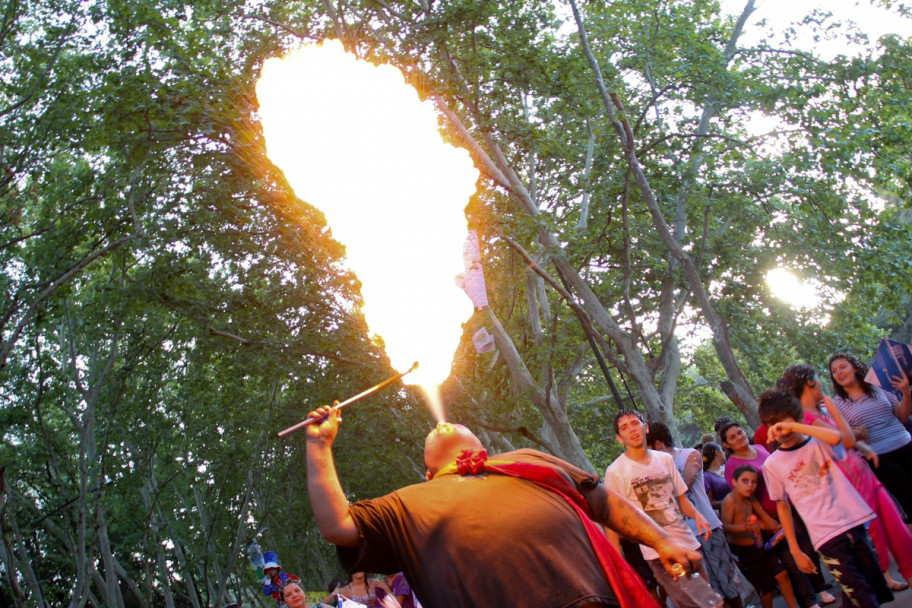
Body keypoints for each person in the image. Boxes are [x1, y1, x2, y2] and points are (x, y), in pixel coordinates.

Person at [304, 405, 702, 608]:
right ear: (427, 472)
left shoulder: (529, 459)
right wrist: (319, 447)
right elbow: (337, 525)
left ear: (483, 447)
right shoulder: (404, 503)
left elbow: (603, 503)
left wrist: (663, 539)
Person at [779, 363, 912, 591]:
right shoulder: (806, 419)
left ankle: (904, 574)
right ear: (810, 385)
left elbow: (846, 442)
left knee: (897, 531)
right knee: (876, 535)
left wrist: (863, 446)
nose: (823, 382)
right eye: (819, 378)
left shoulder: (817, 413)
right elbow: (845, 439)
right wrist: (834, 407)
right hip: (851, 485)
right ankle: (885, 581)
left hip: (863, 476)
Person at [758, 389, 893, 606]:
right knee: (860, 593)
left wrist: (795, 425)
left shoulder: (818, 441)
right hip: (826, 537)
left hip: (855, 522)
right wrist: (795, 549)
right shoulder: (772, 465)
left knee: (867, 588)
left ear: (799, 418)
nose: (784, 431)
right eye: (777, 426)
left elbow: (839, 438)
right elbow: (782, 506)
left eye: (787, 423)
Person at [605, 409, 716, 608]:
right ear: (619, 438)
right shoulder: (616, 471)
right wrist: (618, 562)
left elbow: (681, 498)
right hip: (659, 553)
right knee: (693, 604)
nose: (631, 429)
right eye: (624, 427)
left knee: (709, 599)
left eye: (634, 423)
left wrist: (698, 515)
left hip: (689, 542)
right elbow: (612, 521)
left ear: (645, 427)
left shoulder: (664, 459)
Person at [719, 420, 832, 607]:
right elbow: (745, 499)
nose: (739, 438)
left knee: (807, 548)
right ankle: (808, 600)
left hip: (788, 504)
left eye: (739, 432)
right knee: (790, 561)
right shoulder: (732, 465)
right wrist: (765, 521)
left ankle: (820, 588)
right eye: (733, 437)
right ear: (726, 444)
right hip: (769, 517)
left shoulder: (759, 448)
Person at [647, 422, 747, 608]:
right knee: (709, 591)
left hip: (709, 527)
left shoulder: (690, 455)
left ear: (658, 444)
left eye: (648, 447)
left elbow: (685, 485)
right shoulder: (652, 469)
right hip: (685, 537)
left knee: (728, 582)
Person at [828, 352, 912, 520]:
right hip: (880, 459)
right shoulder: (836, 405)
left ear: (856, 368)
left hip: (906, 445)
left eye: (843, 367)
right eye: (835, 371)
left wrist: (906, 393)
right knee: (908, 504)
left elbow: (902, 416)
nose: (839, 373)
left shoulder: (878, 388)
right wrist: (855, 436)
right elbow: (838, 440)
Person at [720, 464, 797, 608]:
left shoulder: (750, 498)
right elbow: (725, 527)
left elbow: (765, 520)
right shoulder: (730, 501)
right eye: (745, 481)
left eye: (754, 482)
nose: (750, 485)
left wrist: (776, 526)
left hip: (761, 546)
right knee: (767, 589)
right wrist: (744, 527)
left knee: (783, 575)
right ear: (734, 482)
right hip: (746, 553)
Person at [702, 442, 730, 510]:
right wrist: (730, 501)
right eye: (722, 451)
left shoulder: (727, 468)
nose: (724, 453)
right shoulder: (707, 477)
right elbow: (710, 503)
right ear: (717, 452)